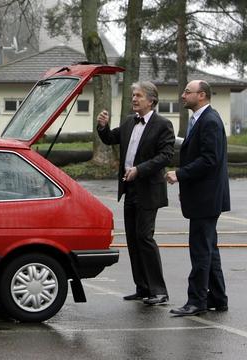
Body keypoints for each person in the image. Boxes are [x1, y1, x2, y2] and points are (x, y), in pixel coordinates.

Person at [97, 81, 175, 305]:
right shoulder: (130, 121)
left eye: (138, 95)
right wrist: (102, 127)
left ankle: (159, 291)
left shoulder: (163, 124)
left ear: (151, 100)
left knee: (144, 237)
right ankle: (142, 288)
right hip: (129, 189)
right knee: (132, 239)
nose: (134, 99)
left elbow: (166, 156)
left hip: (149, 190)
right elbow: (111, 138)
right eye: (133, 95)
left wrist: (139, 170)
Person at [166, 80, 230, 316]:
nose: (183, 96)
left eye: (187, 92)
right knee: (209, 249)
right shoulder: (200, 120)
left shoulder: (209, 121)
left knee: (200, 250)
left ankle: (197, 301)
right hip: (204, 197)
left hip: (206, 199)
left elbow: (209, 159)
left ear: (201, 95)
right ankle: (218, 298)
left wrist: (180, 174)